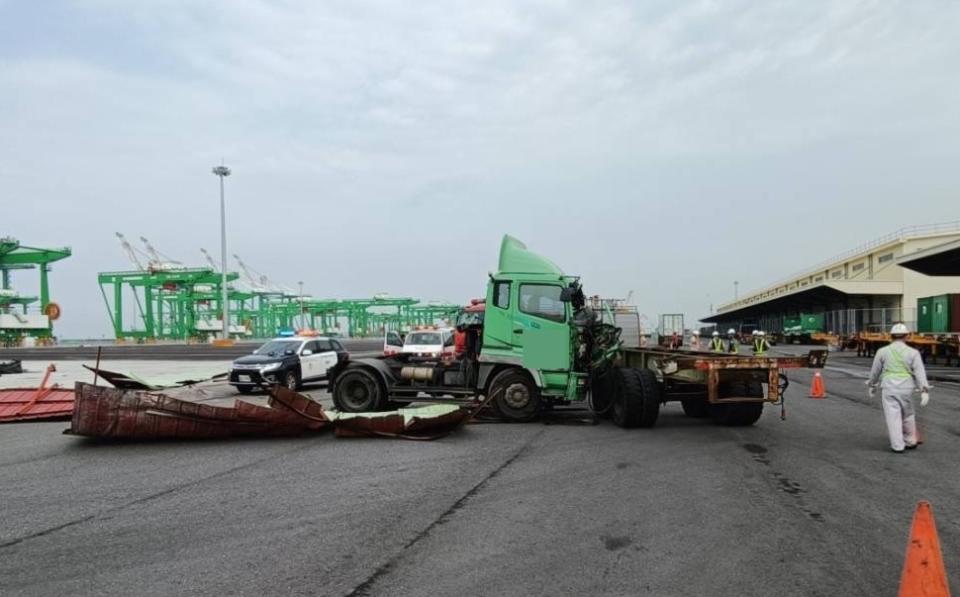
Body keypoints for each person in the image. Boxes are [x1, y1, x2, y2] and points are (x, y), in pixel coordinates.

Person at [866, 323, 931, 453]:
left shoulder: (882, 351)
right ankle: (911, 440)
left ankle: (897, 445)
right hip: (906, 387)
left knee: (893, 416)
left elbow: (875, 371)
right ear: (907, 336)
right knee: (908, 413)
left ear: (891, 336)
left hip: (889, 386)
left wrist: (872, 384)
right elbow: (919, 372)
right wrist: (924, 390)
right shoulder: (913, 352)